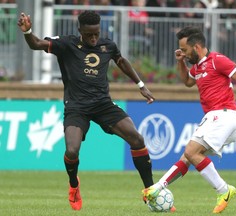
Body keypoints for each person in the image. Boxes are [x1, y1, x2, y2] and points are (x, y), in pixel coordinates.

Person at [17, 10, 156, 211]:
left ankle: (150, 191)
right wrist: (27, 31)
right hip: (76, 106)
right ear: (80, 30)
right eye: (89, 34)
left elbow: (121, 61)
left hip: (103, 104)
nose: (93, 38)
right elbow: (36, 44)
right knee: (72, 151)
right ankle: (74, 185)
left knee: (137, 139)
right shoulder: (66, 44)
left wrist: (141, 84)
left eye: (96, 34)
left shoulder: (107, 45)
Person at [142, 26, 236, 214]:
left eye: (185, 50)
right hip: (217, 117)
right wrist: (180, 63)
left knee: (191, 151)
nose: (183, 54)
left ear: (197, 47)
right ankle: (157, 188)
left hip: (225, 115)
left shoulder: (217, 61)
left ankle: (224, 190)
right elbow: (187, 82)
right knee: (187, 157)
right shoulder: (197, 67)